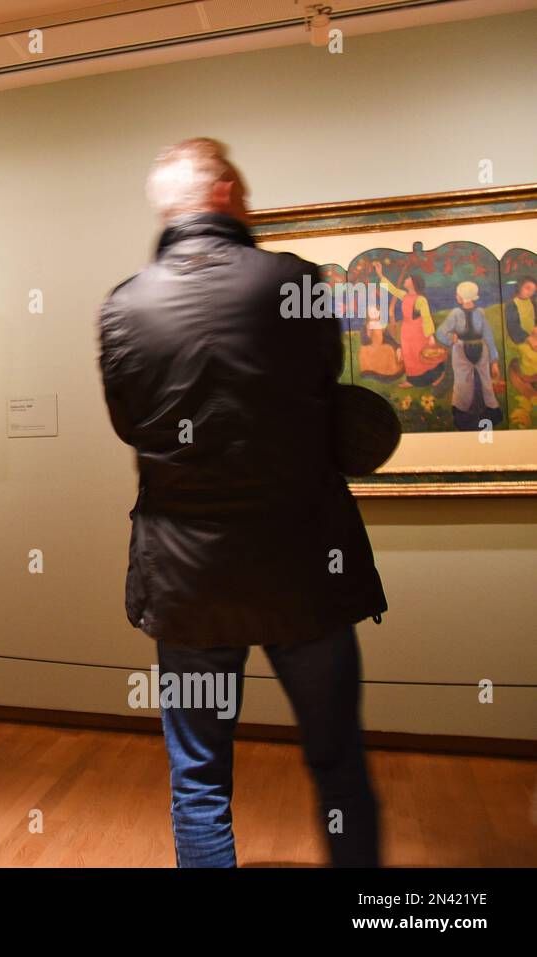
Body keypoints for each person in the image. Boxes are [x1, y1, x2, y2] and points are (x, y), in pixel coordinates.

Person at [96, 138, 387, 867]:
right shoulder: (296, 284)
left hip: (190, 585)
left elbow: (132, 425)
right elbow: (329, 395)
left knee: (199, 779)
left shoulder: (125, 307)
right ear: (225, 192)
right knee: (336, 761)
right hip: (304, 571)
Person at [436, 280, 503, 431]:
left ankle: (490, 414)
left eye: (458, 294)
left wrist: (494, 361)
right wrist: (450, 339)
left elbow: (488, 336)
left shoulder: (480, 313)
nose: (457, 296)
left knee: (485, 382)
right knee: (462, 383)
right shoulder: (455, 314)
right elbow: (440, 332)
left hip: (481, 350)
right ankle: (463, 416)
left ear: (463, 297)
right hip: (460, 350)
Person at [503, 275, 537, 397]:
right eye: (527, 288)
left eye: (533, 290)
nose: (530, 293)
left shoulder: (532, 302)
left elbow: (535, 321)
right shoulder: (512, 305)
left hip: (531, 335)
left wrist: (535, 333)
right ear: (519, 287)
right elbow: (514, 328)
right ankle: (528, 379)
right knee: (531, 354)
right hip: (518, 338)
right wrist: (530, 340)